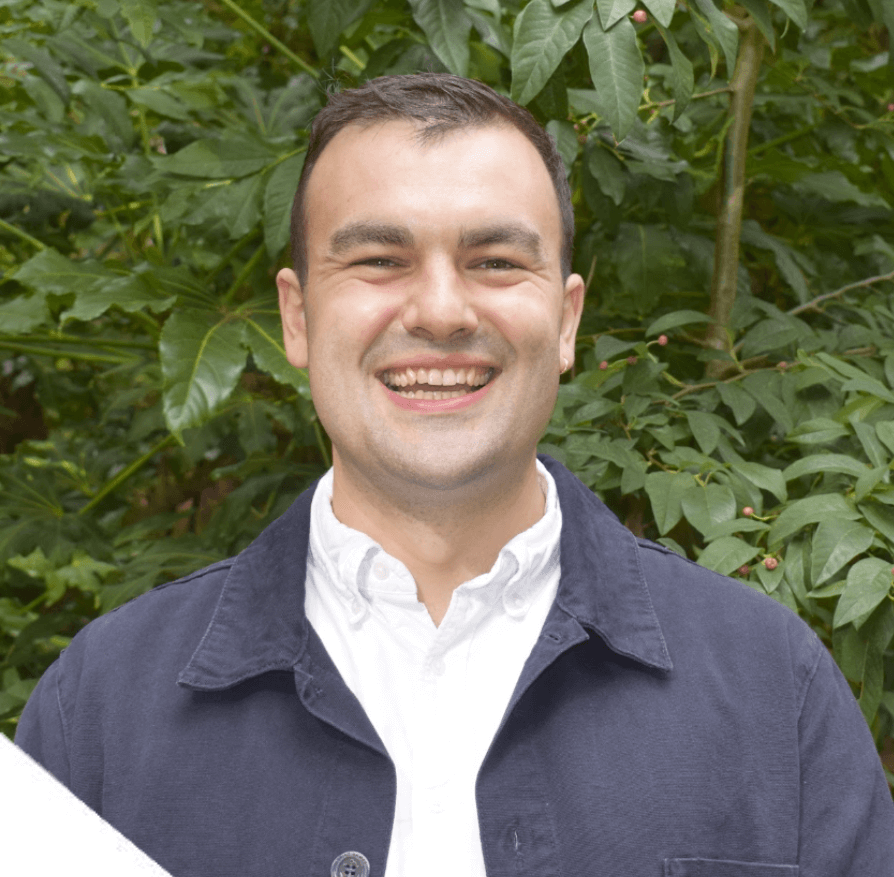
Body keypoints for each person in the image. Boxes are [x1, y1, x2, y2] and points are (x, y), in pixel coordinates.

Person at [15, 73, 894, 877]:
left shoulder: (776, 692)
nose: (440, 311)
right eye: (378, 260)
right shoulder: (99, 711)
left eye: (497, 263)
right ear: (296, 317)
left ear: (566, 319)